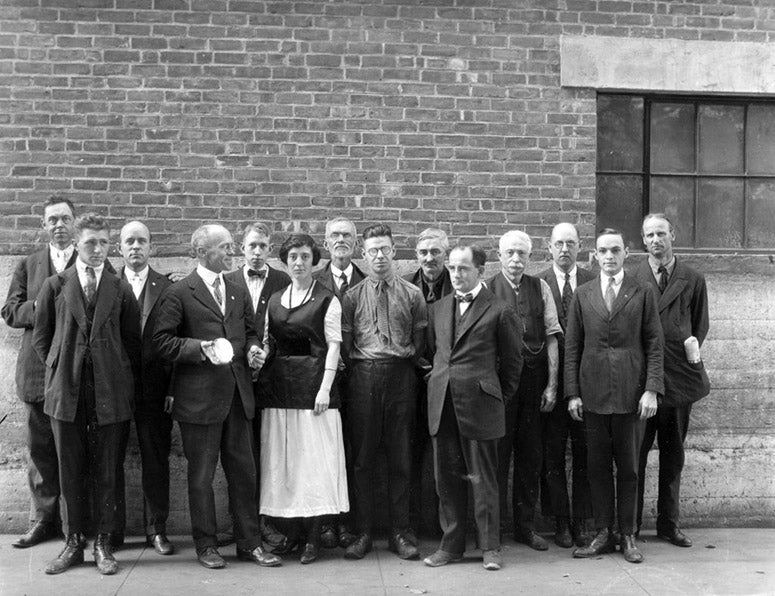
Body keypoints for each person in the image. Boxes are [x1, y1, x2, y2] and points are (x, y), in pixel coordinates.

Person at [153, 224, 280, 570]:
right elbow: (161, 342)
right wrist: (200, 348)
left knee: (245, 472)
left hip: (239, 396)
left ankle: (249, 544)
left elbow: (251, 332)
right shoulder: (179, 292)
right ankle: (206, 546)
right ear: (201, 252)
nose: (231, 253)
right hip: (199, 401)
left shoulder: (238, 289)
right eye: (223, 247)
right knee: (202, 476)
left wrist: (255, 350)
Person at [33, 213, 141, 575]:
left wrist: (117, 376)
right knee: (70, 470)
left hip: (109, 393)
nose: (98, 250)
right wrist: (60, 368)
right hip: (67, 392)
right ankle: (74, 541)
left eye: (104, 243)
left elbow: (131, 342)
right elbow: (42, 338)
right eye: (91, 242)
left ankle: (104, 543)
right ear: (76, 244)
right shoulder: (54, 285)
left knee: (108, 470)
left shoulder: (119, 286)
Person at [565, 228, 664, 564]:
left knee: (629, 468)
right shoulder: (583, 293)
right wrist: (572, 393)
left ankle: (628, 534)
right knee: (596, 467)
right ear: (594, 255)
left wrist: (651, 389)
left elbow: (654, 342)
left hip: (630, 393)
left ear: (626, 254)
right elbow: (572, 346)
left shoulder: (643, 291)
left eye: (615, 251)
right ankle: (604, 532)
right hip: (592, 394)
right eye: (603, 251)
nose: (609, 257)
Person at [423, 245, 522, 571]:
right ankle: (450, 546)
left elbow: (512, 365)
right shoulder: (438, 308)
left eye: (464, 268)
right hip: (443, 404)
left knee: (483, 479)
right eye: (452, 268)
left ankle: (490, 548)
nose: (456, 274)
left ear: (480, 270)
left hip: (481, 406)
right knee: (446, 479)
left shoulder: (499, 309)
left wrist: (495, 398)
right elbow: (436, 353)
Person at [258, 234, 349, 564]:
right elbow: (270, 343)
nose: (298, 262)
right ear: (285, 261)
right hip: (280, 391)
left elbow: (334, 346)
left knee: (313, 466)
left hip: (314, 394)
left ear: (314, 261)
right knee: (288, 465)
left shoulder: (327, 299)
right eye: (293, 256)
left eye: (305, 256)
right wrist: (258, 353)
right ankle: (293, 534)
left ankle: (313, 538)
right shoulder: (275, 299)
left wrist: (325, 389)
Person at [340, 224, 428, 561]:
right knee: (362, 458)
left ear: (395, 251)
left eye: (385, 249)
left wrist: (404, 360)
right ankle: (362, 531)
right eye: (373, 250)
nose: (379, 256)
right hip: (364, 376)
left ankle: (399, 532)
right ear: (364, 254)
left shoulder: (412, 293)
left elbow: (420, 339)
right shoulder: (352, 296)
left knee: (401, 457)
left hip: (401, 377)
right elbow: (348, 344)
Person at [2, 196, 77, 549]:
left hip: (76, 373)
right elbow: (11, 312)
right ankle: (44, 521)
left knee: (75, 451)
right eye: (52, 220)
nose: (59, 226)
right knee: (41, 451)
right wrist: (43, 306)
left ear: (74, 223)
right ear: (43, 226)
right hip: (36, 371)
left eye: (65, 219)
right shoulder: (29, 264)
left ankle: (77, 524)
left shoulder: (90, 261)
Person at [634, 214, 710, 548]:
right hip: (642, 384)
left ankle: (669, 523)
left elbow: (699, 326)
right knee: (634, 455)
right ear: (643, 240)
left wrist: (680, 357)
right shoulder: (633, 276)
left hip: (678, 381)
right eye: (649, 235)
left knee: (673, 454)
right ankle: (630, 525)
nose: (655, 240)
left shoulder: (693, 278)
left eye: (661, 233)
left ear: (672, 236)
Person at [487, 230, 561, 551]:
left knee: (530, 456)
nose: (516, 260)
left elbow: (553, 335)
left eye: (522, 254)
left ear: (530, 257)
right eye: (510, 253)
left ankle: (525, 527)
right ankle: (495, 529)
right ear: (499, 256)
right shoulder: (487, 289)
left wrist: (552, 385)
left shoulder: (540, 287)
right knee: (497, 458)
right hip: (501, 385)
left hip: (533, 382)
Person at [224, 222, 290, 547]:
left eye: (263, 246)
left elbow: (287, 326)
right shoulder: (228, 281)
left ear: (270, 248)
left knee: (269, 452)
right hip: (237, 381)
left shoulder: (282, 280)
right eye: (252, 246)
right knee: (240, 453)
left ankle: (266, 522)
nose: (257, 252)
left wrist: (267, 352)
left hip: (271, 378)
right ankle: (240, 523)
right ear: (241, 247)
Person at [114, 221, 175, 556]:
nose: (135, 247)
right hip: (117, 387)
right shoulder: (110, 285)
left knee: (156, 458)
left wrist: (172, 388)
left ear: (152, 247)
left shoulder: (166, 287)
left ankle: (157, 530)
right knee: (111, 459)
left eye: (141, 241)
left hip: (155, 387)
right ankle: (113, 532)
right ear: (120, 248)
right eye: (129, 242)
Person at [536, 223, 596, 548]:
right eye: (558, 243)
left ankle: (582, 521)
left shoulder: (591, 280)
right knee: (552, 453)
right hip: (551, 384)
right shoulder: (538, 283)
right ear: (549, 247)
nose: (564, 249)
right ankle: (559, 519)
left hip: (585, 383)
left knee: (585, 452)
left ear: (580, 246)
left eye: (570, 243)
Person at [311, 217, 365, 549]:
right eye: (335, 236)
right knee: (323, 453)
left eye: (347, 236)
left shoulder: (367, 279)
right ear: (326, 243)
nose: (341, 240)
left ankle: (350, 523)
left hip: (360, 381)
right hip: (322, 383)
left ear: (356, 243)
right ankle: (326, 523)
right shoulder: (313, 282)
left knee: (355, 452)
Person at [404, 227, 453, 542]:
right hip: (413, 381)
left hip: (448, 383)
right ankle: (412, 526)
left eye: (435, 252)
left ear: (445, 254)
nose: (429, 258)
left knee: (445, 456)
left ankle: (444, 528)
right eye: (423, 252)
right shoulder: (406, 285)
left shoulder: (458, 282)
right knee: (409, 453)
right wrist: (423, 368)